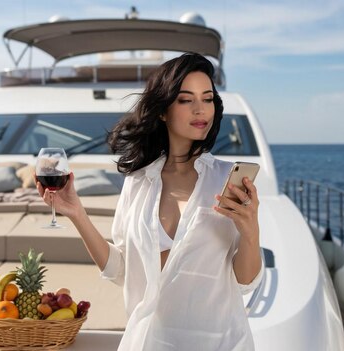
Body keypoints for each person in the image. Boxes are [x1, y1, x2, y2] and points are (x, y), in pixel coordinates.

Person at [36, 52, 264, 350]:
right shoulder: (139, 181)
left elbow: (245, 282)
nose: (200, 110)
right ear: (162, 110)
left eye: (207, 99)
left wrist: (250, 232)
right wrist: (77, 213)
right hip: (147, 341)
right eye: (186, 100)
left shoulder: (225, 178)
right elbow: (120, 270)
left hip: (217, 342)